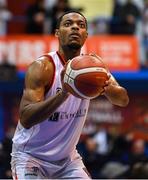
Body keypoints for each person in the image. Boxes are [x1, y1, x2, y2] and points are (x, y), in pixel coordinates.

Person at [11, 10, 129, 179]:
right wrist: (64, 92)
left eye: (81, 26)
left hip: (67, 160)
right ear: (57, 33)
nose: (75, 28)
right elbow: (26, 118)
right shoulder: (43, 67)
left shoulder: (94, 68)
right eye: (68, 24)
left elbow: (123, 99)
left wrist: (105, 87)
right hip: (31, 156)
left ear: (86, 35)